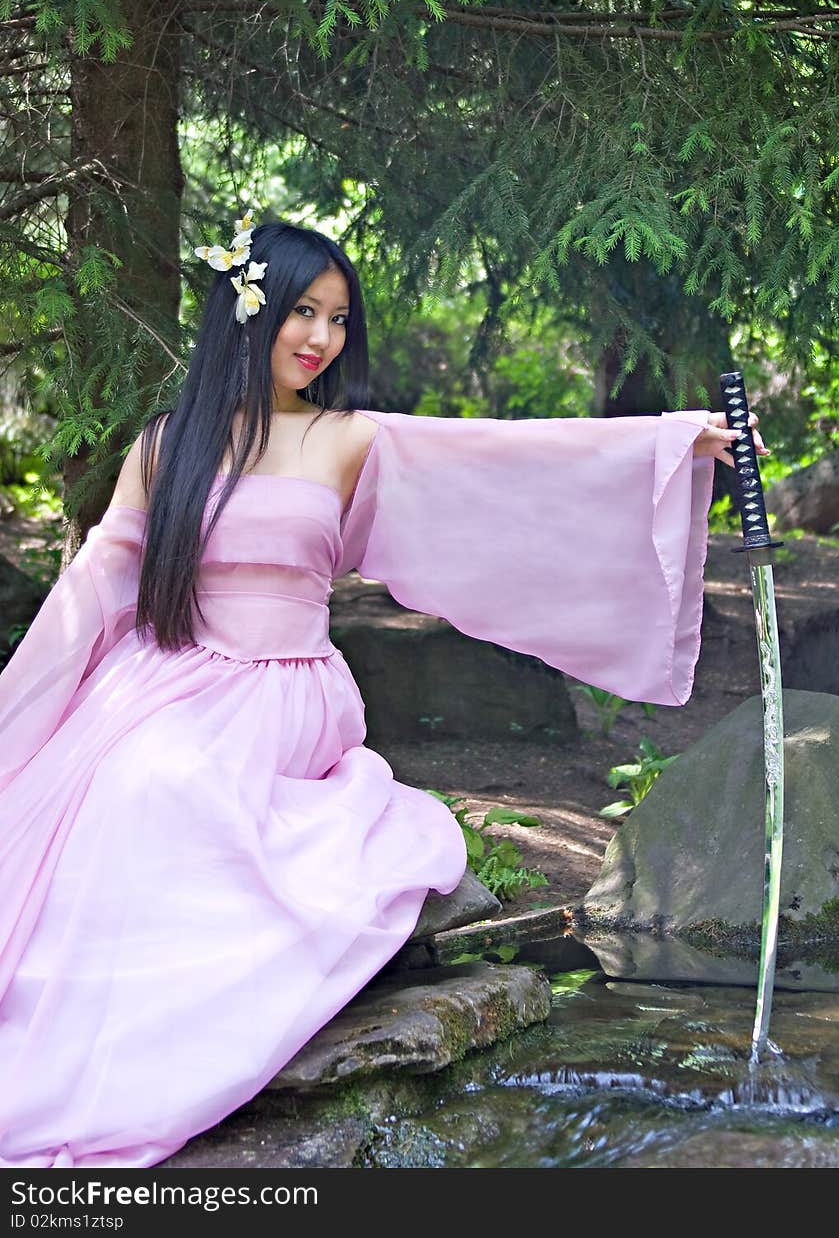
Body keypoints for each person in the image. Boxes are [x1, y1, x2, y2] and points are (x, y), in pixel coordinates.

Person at [0, 213, 768, 1168]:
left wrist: (667, 442)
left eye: (337, 319)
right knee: (107, 785)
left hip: (285, 692)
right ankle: (81, 1030)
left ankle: (154, 1048)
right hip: (170, 679)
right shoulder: (168, 445)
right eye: (302, 312)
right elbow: (96, 586)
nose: (322, 338)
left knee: (169, 782)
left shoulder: (348, 438)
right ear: (251, 311)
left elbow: (505, 460)